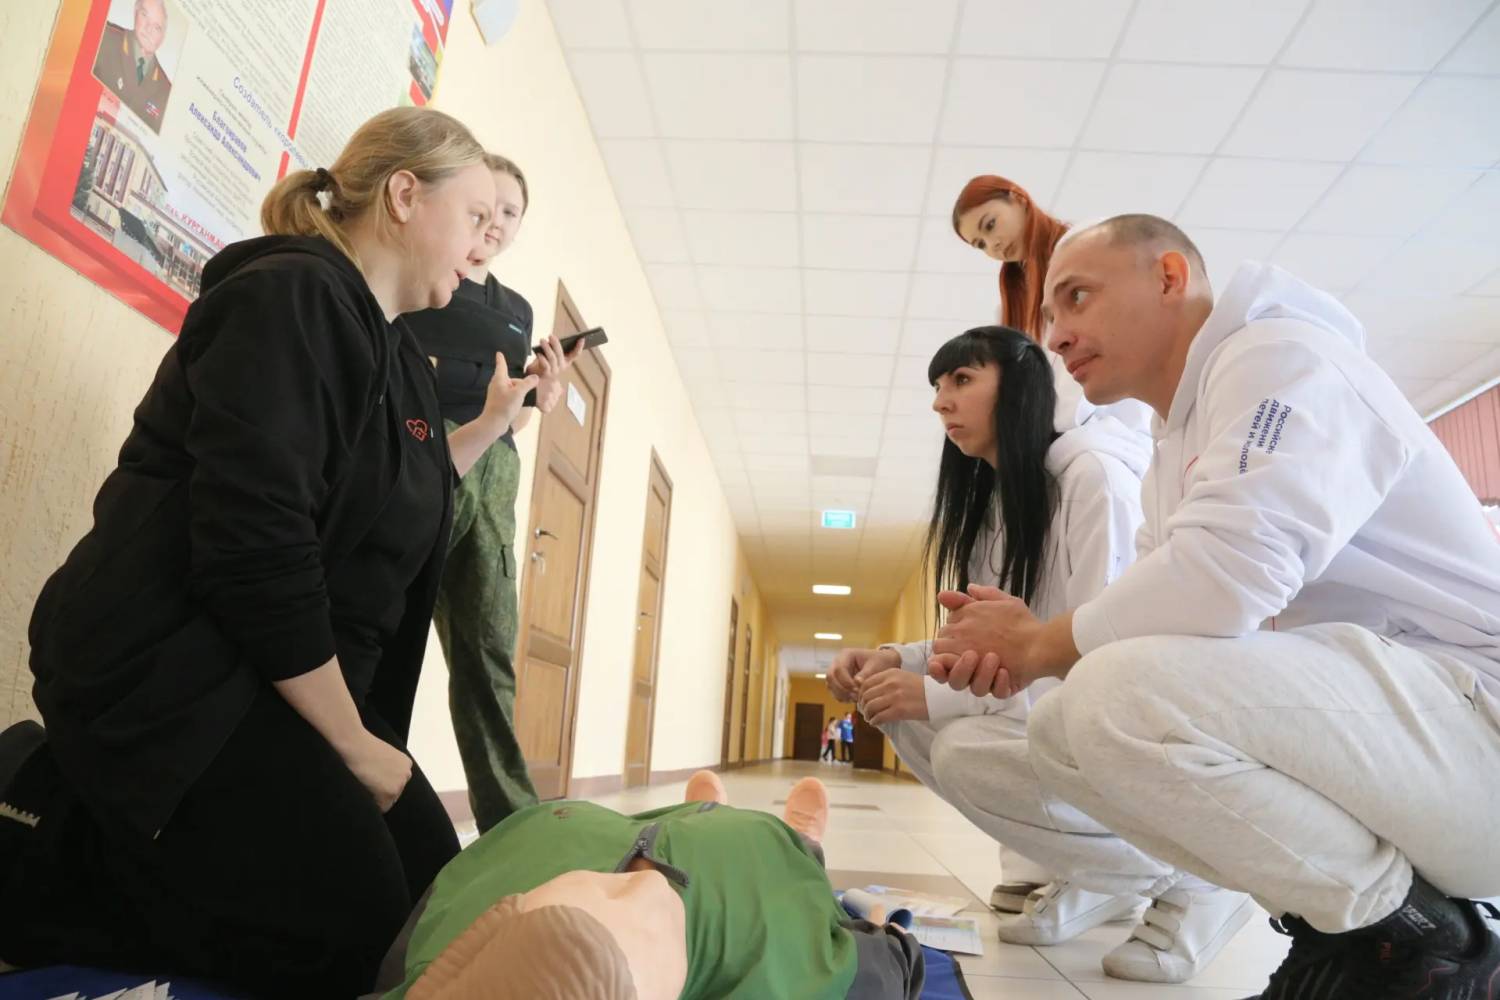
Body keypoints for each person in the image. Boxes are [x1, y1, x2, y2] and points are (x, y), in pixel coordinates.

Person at [0, 107, 538, 998]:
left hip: (271, 674)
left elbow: (400, 487)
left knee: (435, 892)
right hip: (178, 675)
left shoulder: (399, 356)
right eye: (477, 213)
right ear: (404, 195)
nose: (489, 238)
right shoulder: (290, 295)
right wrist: (352, 745)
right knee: (356, 928)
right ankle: (42, 848)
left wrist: (486, 427)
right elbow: (256, 550)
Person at [931, 215, 1500, 998]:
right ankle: (1352, 931)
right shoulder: (1177, 445)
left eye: (1078, 297)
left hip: (1478, 729)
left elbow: (1226, 576)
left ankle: (1423, 944)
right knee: (1066, 728)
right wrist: (1025, 645)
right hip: (1412, 743)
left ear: (1169, 276)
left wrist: (1037, 645)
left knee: (1114, 695)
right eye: (1050, 314)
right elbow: (1180, 614)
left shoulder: (1284, 356)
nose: (1056, 335)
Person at [832, 328, 1255, 984]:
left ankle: (1201, 877)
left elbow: (1100, 659)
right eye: (938, 388)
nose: (941, 402)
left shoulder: (1093, 479)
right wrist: (895, 660)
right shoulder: (999, 501)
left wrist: (936, 692)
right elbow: (992, 636)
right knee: (894, 706)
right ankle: (1099, 875)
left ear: (1022, 386)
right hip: (1067, 716)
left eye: (961, 380)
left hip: (1140, 726)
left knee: (960, 748)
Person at [370, 772, 925, 999]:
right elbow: (891, 961)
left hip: (552, 840)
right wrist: (886, 933)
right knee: (784, 863)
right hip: (740, 867)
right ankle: (789, 837)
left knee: (745, 858)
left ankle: (705, 815)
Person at [403, 152, 581, 833]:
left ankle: (510, 823)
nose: (496, 224)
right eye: (486, 209)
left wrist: (544, 395)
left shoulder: (516, 309)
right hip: (425, 456)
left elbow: (515, 417)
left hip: (496, 472)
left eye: (510, 213)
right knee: (383, 622)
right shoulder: (428, 277)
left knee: (488, 650)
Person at [951, 174, 1151, 441]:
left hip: (1118, 429)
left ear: (1018, 199)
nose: (993, 245)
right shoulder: (1012, 309)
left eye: (990, 225)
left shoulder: (1089, 244)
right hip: (1063, 440)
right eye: (981, 245)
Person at [93, 0, 173, 133]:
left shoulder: (166, 90)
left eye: (157, 27)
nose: (149, 29)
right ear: (135, 13)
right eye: (145, 15)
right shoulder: (105, 38)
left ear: (163, 38)